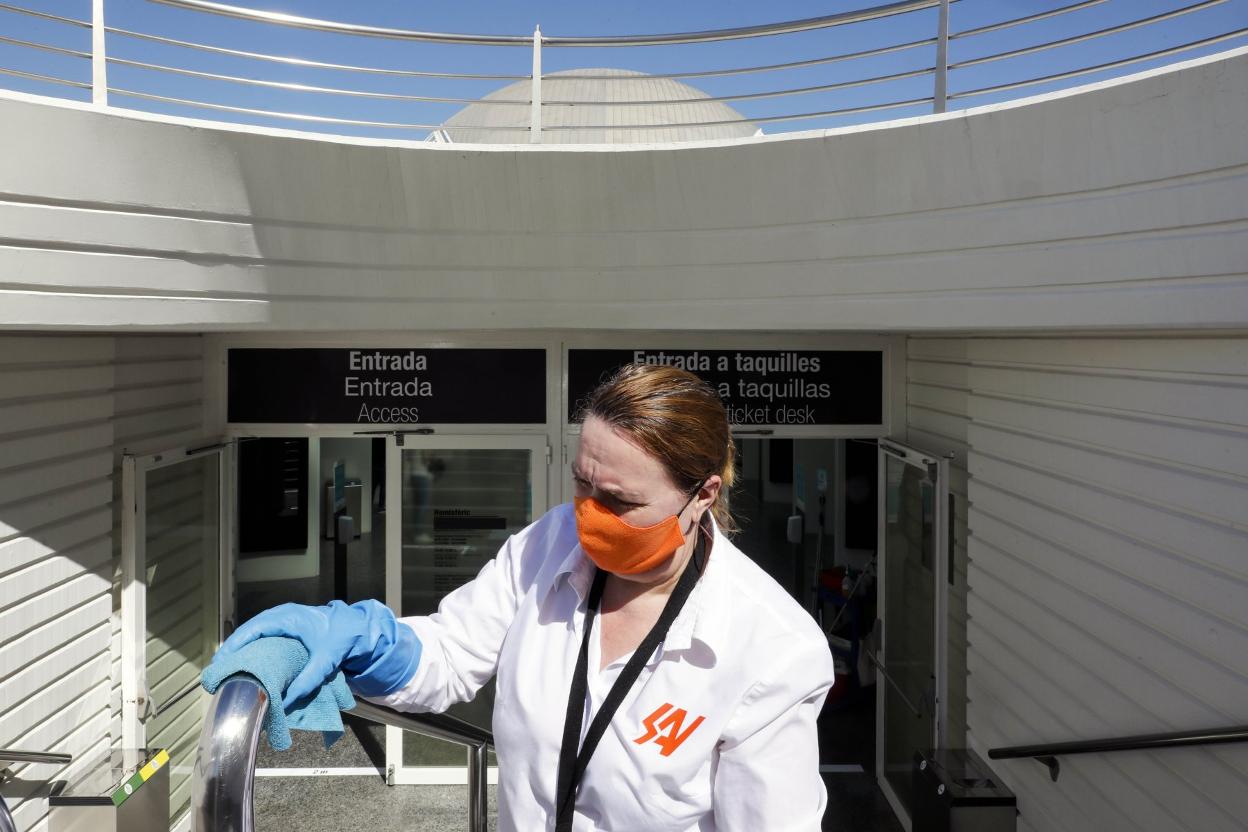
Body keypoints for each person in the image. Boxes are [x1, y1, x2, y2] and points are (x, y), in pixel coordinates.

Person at [213, 363, 835, 831]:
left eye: (620, 501)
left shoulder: (773, 649)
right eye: (582, 482)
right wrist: (368, 642)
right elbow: (452, 654)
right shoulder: (548, 544)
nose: (590, 515)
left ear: (702, 496)